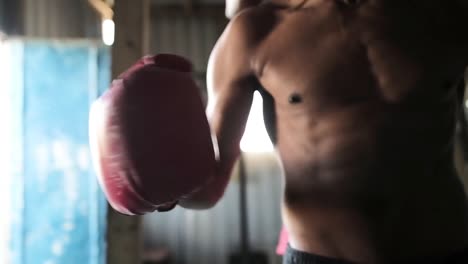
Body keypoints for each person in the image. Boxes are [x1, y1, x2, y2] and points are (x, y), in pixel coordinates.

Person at [178, 0, 468, 263]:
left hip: (446, 248)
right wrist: (157, 188)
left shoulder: (445, 17)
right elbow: (209, 184)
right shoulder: (257, 30)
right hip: (322, 255)